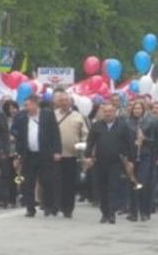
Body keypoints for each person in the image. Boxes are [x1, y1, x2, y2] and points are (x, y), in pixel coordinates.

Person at [11, 94, 62, 218]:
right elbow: (20, 139)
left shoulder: (47, 115)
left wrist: (57, 151)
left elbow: (55, 133)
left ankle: (49, 205)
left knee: (47, 181)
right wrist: (17, 156)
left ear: (35, 104)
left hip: (44, 154)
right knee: (28, 183)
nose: (25, 108)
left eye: (27, 105)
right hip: (29, 155)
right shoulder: (22, 117)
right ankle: (30, 208)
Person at [85, 102, 133, 224]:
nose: (107, 114)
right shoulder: (97, 126)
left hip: (116, 162)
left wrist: (129, 160)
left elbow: (129, 144)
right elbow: (90, 142)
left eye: (110, 111)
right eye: (105, 112)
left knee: (113, 187)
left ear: (115, 112)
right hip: (100, 162)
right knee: (102, 188)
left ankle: (111, 213)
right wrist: (88, 156)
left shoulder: (123, 126)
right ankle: (104, 212)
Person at [52, 89, 89, 218]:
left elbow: (85, 134)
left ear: (70, 102)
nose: (64, 103)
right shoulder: (53, 115)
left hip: (72, 156)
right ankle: (55, 206)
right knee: (56, 182)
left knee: (69, 183)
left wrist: (84, 149)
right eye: (61, 100)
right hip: (55, 156)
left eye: (66, 100)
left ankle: (68, 208)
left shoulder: (78, 116)